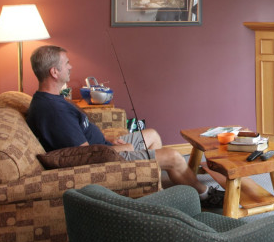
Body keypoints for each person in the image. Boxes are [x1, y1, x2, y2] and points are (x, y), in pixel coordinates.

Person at [25, 45, 225, 208]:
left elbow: (80, 134)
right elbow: (83, 155)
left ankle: (156, 188)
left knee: (152, 135)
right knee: (173, 157)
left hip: (105, 146)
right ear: (54, 71)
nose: (70, 67)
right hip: (103, 159)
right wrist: (120, 149)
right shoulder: (53, 111)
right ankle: (204, 194)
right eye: (66, 63)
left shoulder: (51, 99)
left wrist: (108, 140)